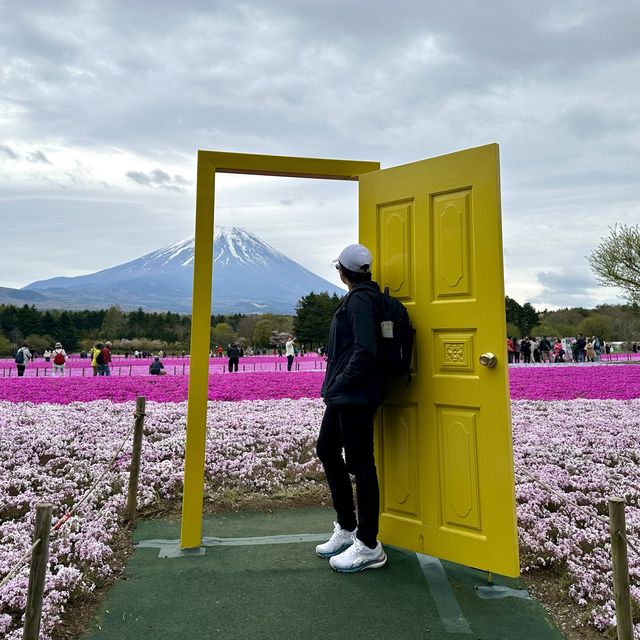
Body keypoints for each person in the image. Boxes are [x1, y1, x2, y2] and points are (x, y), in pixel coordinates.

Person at [315, 243, 387, 573]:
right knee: (327, 448)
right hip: (345, 394)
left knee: (360, 463)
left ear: (343, 272)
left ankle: (369, 545)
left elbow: (365, 349)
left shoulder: (359, 300)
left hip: (354, 394)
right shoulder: (362, 296)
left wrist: (342, 380)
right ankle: (347, 526)